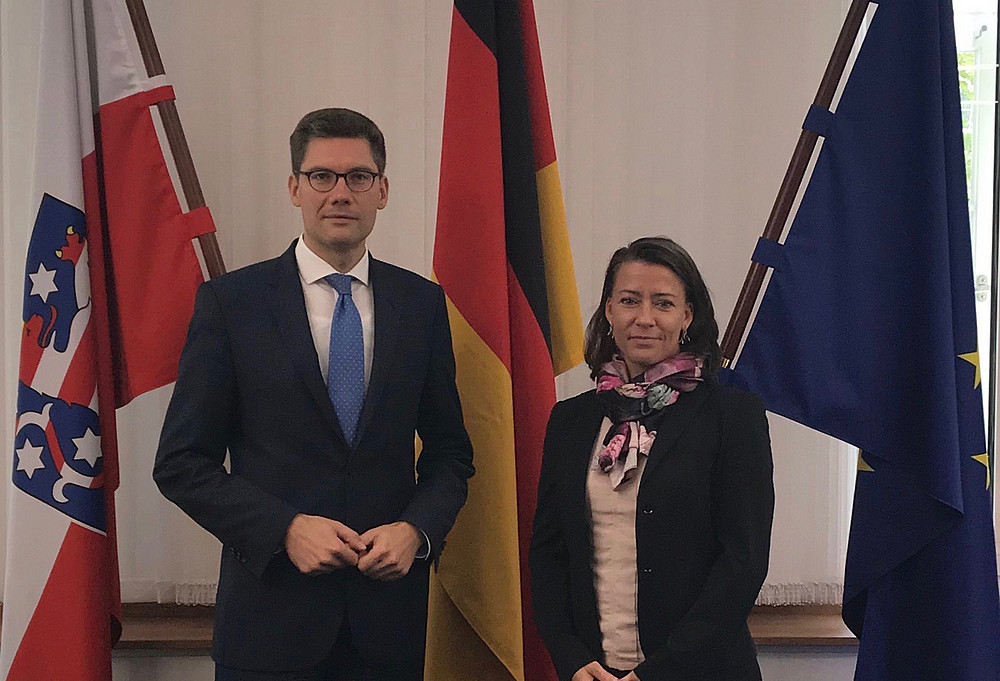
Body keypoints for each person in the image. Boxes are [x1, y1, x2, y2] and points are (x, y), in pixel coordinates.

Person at [153, 108, 474, 681]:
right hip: (268, 628)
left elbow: (451, 453)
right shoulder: (232, 304)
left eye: (359, 177)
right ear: (295, 188)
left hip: (389, 631)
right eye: (322, 176)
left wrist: (416, 531)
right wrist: (283, 529)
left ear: (382, 191)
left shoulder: (421, 304)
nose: (340, 193)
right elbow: (180, 463)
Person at [529, 237, 773, 681]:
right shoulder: (570, 421)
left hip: (700, 671)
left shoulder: (733, 417)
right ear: (608, 311)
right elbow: (548, 554)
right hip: (595, 672)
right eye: (629, 300)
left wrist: (657, 673)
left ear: (687, 316)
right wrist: (570, 657)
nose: (644, 318)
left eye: (663, 303)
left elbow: (743, 562)